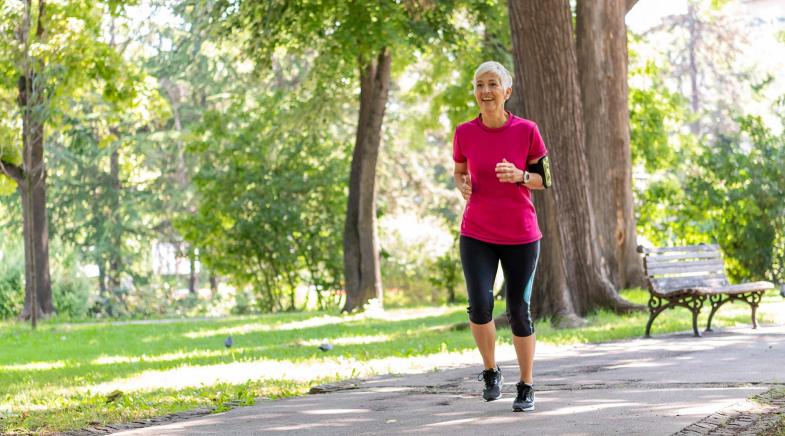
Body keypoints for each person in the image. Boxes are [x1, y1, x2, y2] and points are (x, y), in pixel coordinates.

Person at [452, 61, 551, 412]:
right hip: (477, 232)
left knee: (518, 310)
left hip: (522, 236)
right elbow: (459, 170)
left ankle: (526, 384)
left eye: (493, 84)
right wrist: (461, 183)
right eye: (480, 84)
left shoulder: (527, 130)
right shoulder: (464, 132)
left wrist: (520, 175)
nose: (485, 91)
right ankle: (491, 370)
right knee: (479, 305)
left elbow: (545, 179)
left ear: (506, 92)